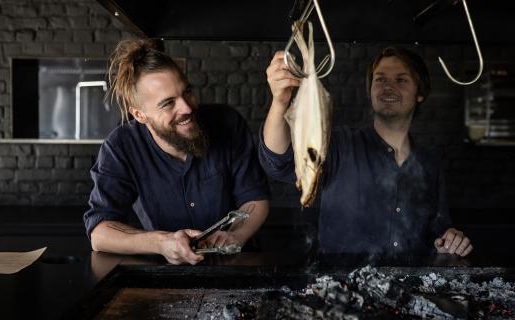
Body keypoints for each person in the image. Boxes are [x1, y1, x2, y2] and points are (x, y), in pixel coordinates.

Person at [259, 47, 472, 258]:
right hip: (340, 289)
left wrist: (449, 240)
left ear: (420, 93)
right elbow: (280, 161)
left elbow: (439, 232)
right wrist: (280, 102)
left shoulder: (429, 164)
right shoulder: (340, 146)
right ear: (370, 89)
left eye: (401, 80)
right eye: (380, 79)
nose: (388, 87)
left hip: (409, 289)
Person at [84, 38, 270, 265]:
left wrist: (236, 235)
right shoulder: (121, 146)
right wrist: (162, 242)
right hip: (166, 276)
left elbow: (255, 198)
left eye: (187, 92)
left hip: (237, 266)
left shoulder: (227, 123)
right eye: (168, 103)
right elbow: (100, 232)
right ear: (139, 115)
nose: (187, 107)